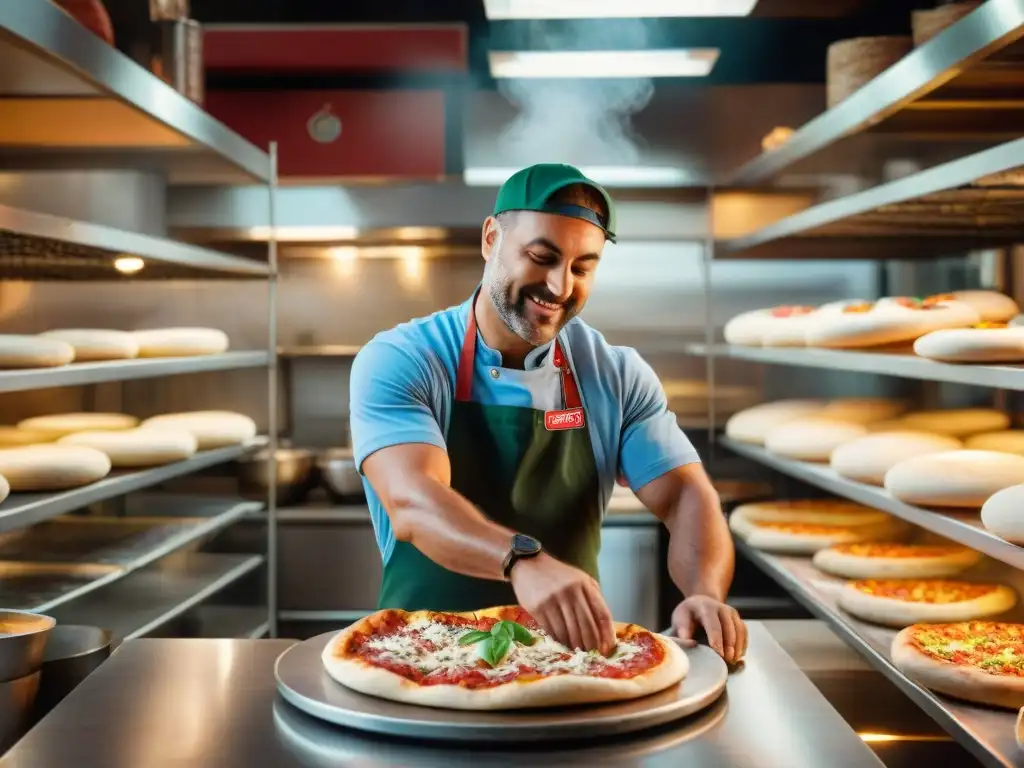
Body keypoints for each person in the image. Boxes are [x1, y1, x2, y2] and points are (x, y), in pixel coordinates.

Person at [349, 163, 746, 664]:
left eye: (582, 267)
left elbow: (687, 494)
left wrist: (705, 591)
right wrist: (521, 560)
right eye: (542, 257)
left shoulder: (616, 373)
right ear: (491, 238)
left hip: (571, 661)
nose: (559, 286)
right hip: (421, 655)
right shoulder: (405, 357)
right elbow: (413, 501)